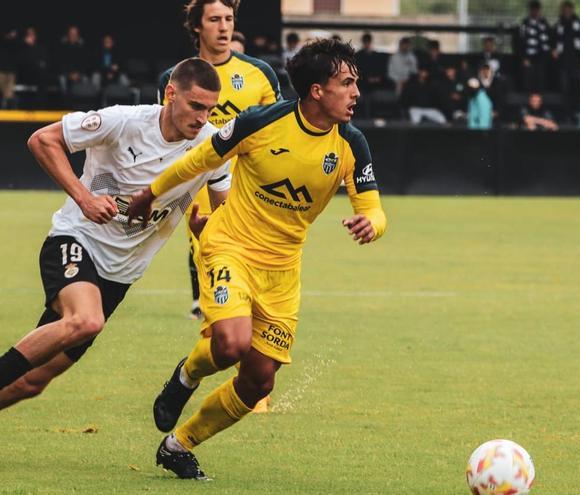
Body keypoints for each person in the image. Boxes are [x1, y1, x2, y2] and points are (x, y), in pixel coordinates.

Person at [0, 58, 231, 462]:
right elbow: (42, 140)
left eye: (210, 109)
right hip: (75, 241)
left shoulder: (213, 146)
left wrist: (206, 228)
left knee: (30, 383)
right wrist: (84, 197)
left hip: (119, 277)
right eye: (196, 106)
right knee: (85, 320)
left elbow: (223, 217)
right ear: (171, 94)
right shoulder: (124, 121)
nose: (203, 118)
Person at [127, 38, 387, 480]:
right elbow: (197, 162)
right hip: (230, 245)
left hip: (283, 272)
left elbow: (374, 209)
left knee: (259, 382)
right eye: (346, 82)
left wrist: (372, 225)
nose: (356, 92)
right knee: (230, 343)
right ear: (317, 91)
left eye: (356, 82)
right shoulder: (261, 122)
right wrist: (149, 194)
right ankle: (186, 376)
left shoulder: (351, 143)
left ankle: (178, 445)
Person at [157, 0, 281, 413]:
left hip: (255, 202)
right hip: (204, 200)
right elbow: (171, 140)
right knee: (219, 288)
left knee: (262, 286)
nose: (224, 27)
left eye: (229, 19)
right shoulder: (176, 79)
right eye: (214, 20)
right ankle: (231, 381)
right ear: (197, 27)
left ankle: (251, 378)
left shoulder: (259, 74)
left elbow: (278, 133)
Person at [552, 1, 580, 94]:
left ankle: (579, 105)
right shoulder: (558, 25)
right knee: (564, 85)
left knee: (579, 83)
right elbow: (553, 39)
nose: (567, 12)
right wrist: (553, 50)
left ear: (572, 10)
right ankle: (566, 107)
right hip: (563, 60)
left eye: (568, 9)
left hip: (578, 59)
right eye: (564, 10)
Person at [517, 0, 551, 92]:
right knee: (528, 76)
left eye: (537, 10)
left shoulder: (544, 23)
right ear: (530, 10)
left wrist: (548, 54)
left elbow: (549, 40)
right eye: (533, 10)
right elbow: (519, 42)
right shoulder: (525, 23)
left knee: (542, 75)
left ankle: (540, 99)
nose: (535, 12)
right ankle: (528, 98)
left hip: (542, 56)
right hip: (528, 56)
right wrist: (523, 57)